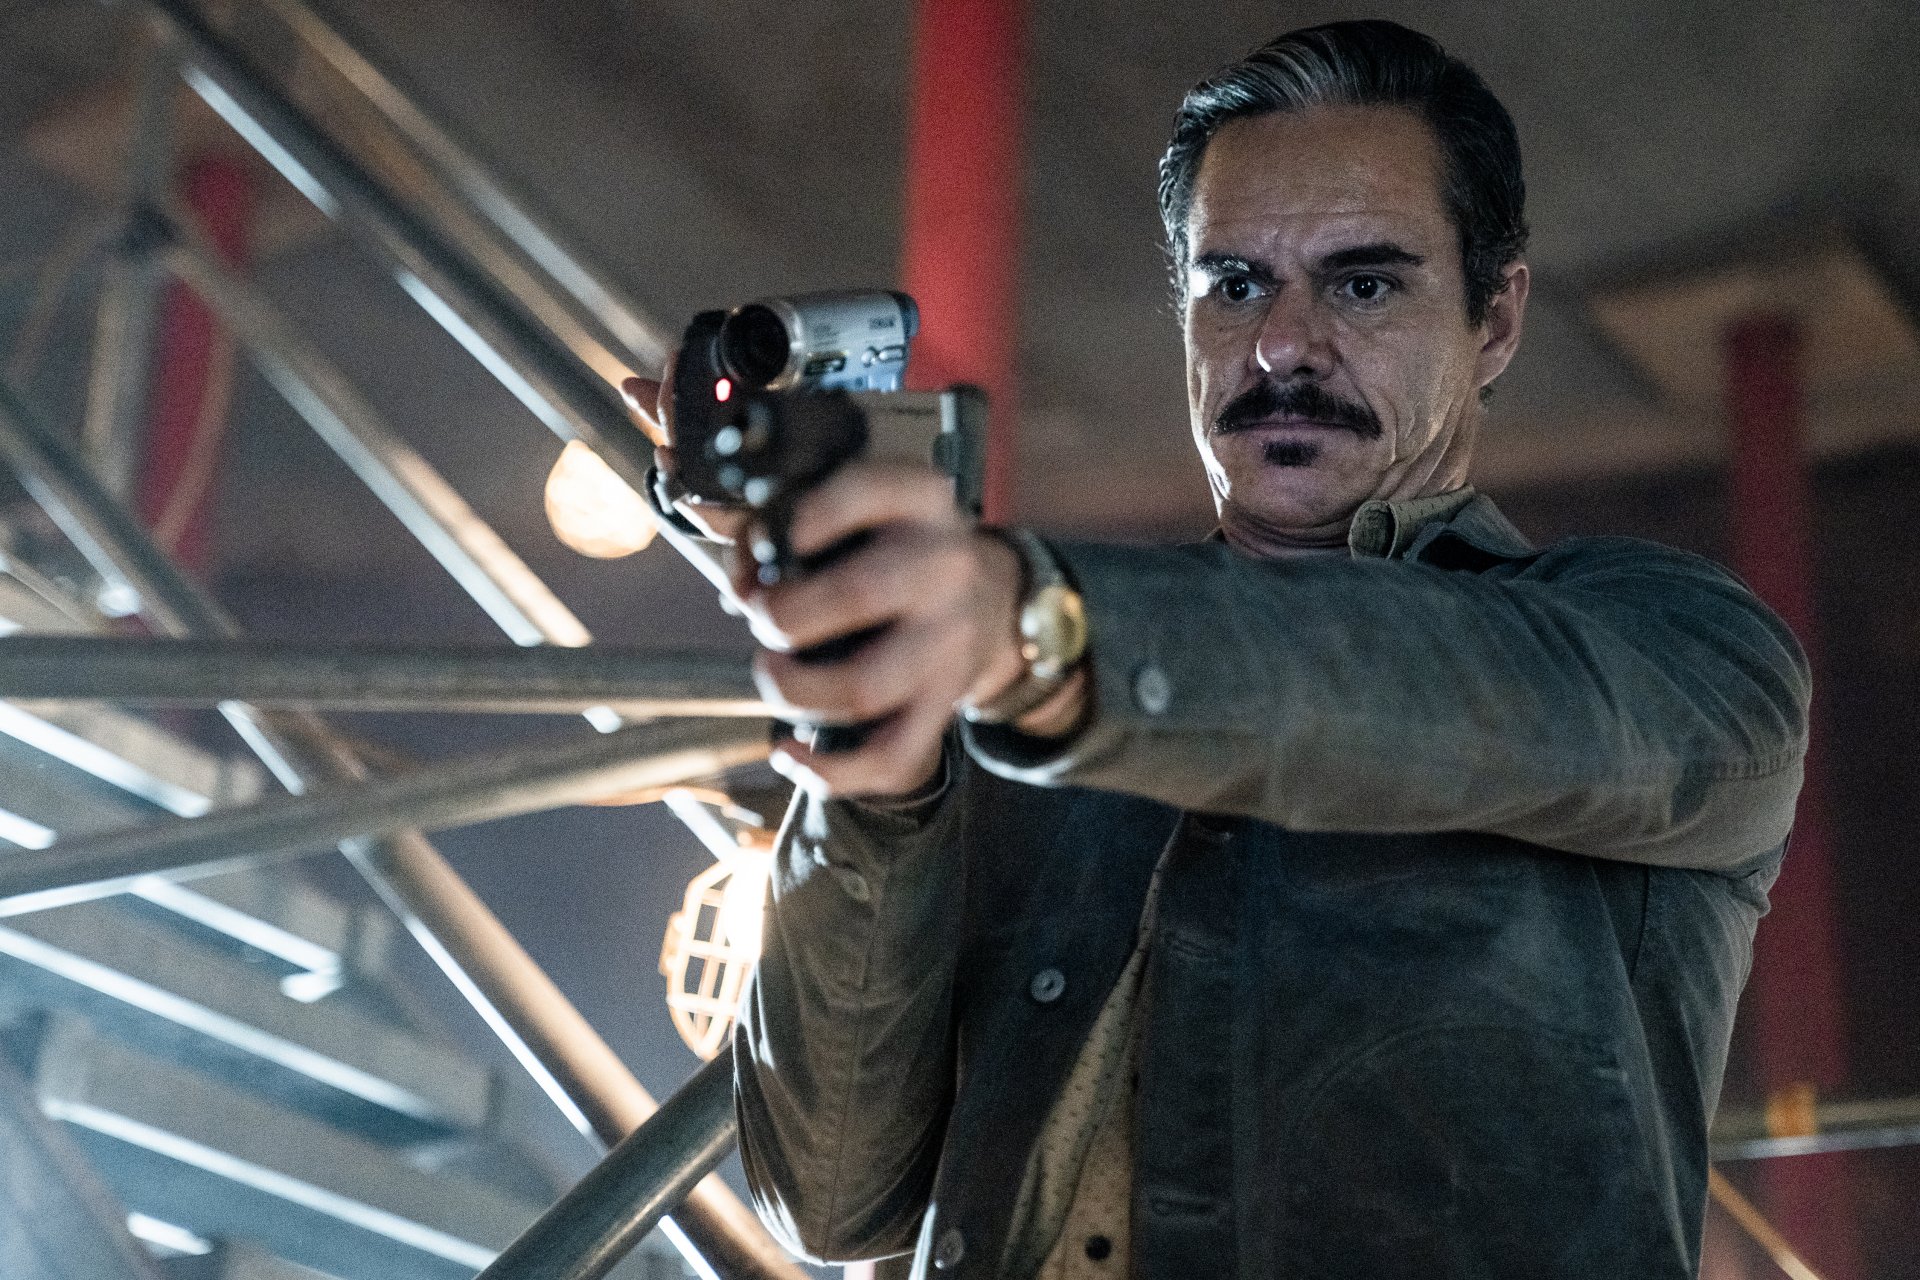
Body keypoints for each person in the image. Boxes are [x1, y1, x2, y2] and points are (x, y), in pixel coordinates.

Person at [626, 20, 1808, 1280]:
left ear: (1497, 320)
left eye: (1363, 282)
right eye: (1234, 282)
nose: (1281, 344)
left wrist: (1032, 628)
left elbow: (1404, 682)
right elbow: (830, 1197)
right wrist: (876, 769)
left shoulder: (1680, 652)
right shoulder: (1017, 690)